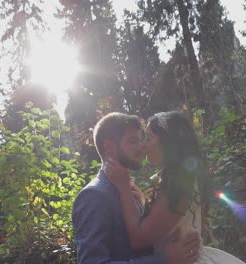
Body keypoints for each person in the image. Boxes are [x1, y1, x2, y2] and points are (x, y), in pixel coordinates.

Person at [106, 111, 246, 264]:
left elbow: (139, 239)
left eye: (149, 138)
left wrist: (123, 187)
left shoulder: (178, 185)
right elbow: (170, 222)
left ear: (168, 142)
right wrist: (142, 201)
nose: (143, 145)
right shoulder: (181, 179)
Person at [72, 112, 201, 264]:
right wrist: (163, 260)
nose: (142, 147)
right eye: (133, 141)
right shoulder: (94, 195)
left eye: (142, 140)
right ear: (109, 148)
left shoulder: (129, 191)